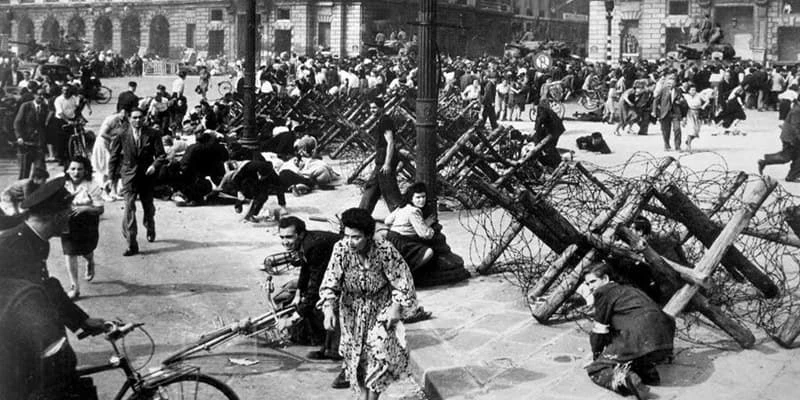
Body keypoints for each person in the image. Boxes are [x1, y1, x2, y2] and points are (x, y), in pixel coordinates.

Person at [0, 178, 108, 399]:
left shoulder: (36, 240)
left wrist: (81, 321)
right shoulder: (11, 245)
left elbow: (46, 286)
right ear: (55, 215)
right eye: (68, 210)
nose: (71, 215)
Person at [319, 207, 417, 399]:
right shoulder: (341, 249)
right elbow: (330, 281)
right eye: (347, 236)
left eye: (356, 237)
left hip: (379, 308)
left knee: (379, 356)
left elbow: (402, 281)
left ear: (369, 236)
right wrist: (328, 308)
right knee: (357, 361)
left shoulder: (384, 250)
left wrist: (396, 308)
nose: (350, 242)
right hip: (351, 311)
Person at [275, 216, 349, 389]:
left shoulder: (314, 246)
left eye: (289, 237)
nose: (285, 242)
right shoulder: (305, 244)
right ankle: (329, 348)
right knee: (314, 303)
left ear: (300, 235)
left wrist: (294, 317)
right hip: (337, 272)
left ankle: (336, 352)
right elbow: (306, 269)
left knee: (330, 305)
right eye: (282, 237)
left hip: (351, 273)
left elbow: (316, 286)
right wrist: (298, 293)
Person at [584, 262, 675, 400]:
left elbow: (599, 329)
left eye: (593, 282)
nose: (591, 287)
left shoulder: (603, 292)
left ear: (605, 279)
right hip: (664, 339)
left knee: (596, 370)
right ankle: (646, 371)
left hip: (638, 335)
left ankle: (624, 380)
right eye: (588, 284)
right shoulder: (629, 289)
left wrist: (597, 356)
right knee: (628, 351)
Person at [108, 108, 167, 256]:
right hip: (129, 176)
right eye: (134, 117)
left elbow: (161, 155)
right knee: (129, 208)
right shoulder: (121, 134)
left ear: (145, 118)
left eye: (140, 117)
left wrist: (154, 166)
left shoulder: (153, 134)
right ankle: (131, 243)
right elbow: (114, 156)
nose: (137, 120)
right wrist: (110, 178)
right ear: (129, 119)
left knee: (148, 207)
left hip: (147, 177)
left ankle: (150, 225)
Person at [60, 156, 104, 300]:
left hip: (87, 222)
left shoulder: (92, 185)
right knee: (69, 252)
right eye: (73, 169)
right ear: (67, 170)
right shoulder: (62, 184)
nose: (76, 172)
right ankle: (75, 287)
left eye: (80, 169)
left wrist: (85, 208)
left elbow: (100, 209)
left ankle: (90, 261)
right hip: (67, 222)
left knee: (86, 251)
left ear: (85, 171)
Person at [358, 99, 403, 214]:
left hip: (385, 159)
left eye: (375, 108)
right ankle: (361, 214)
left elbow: (390, 142)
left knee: (390, 190)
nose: (372, 110)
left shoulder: (385, 121)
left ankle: (402, 215)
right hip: (381, 158)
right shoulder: (381, 120)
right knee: (372, 187)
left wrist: (387, 163)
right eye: (371, 108)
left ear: (382, 108)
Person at [758, 93, 800, 182]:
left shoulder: (797, 108)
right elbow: (795, 127)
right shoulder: (797, 111)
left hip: (791, 137)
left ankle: (793, 175)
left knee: (795, 157)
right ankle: (791, 176)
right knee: (786, 157)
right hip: (791, 138)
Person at [92, 106, 131, 201]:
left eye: (127, 114)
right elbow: (103, 134)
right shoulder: (112, 119)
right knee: (106, 168)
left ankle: (113, 192)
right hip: (103, 144)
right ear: (121, 111)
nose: (125, 115)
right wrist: (114, 139)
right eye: (124, 113)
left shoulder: (125, 122)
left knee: (115, 167)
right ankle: (104, 192)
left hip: (112, 146)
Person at [13, 87, 48, 180]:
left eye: (43, 95)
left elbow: (44, 125)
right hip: (26, 143)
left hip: (39, 143)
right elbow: (17, 123)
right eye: (39, 94)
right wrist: (19, 137)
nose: (41, 97)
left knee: (40, 171)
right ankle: (22, 188)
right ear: (34, 95)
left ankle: (38, 188)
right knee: (24, 171)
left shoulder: (45, 107)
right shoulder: (26, 106)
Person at [651, 75, 687, 151]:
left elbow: (683, 101)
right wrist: (654, 111)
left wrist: (680, 102)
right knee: (665, 131)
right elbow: (655, 100)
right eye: (668, 83)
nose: (669, 85)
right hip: (665, 113)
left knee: (677, 129)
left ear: (675, 83)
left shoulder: (678, 90)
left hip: (675, 113)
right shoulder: (663, 90)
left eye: (671, 83)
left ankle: (677, 146)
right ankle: (667, 145)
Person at [532, 102, 566, 169]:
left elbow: (540, 120)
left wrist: (536, 130)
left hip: (555, 129)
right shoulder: (544, 109)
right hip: (557, 128)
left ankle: (557, 162)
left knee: (549, 146)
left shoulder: (541, 109)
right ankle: (556, 161)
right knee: (550, 145)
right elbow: (539, 121)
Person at [682, 83, 708, 152]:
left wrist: (703, 106)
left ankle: (688, 141)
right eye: (692, 90)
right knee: (691, 130)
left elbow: (707, 100)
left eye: (694, 90)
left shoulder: (699, 95)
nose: (693, 91)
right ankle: (689, 146)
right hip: (690, 113)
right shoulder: (686, 96)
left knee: (696, 131)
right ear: (689, 91)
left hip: (698, 113)